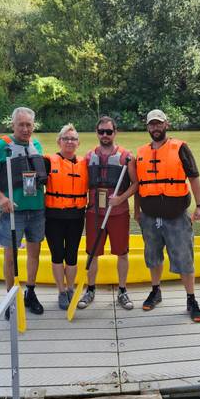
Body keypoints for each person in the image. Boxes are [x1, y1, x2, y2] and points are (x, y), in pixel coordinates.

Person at [134, 109, 200, 322]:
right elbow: (138, 186)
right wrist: (137, 210)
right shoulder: (140, 153)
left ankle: (191, 298)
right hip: (149, 216)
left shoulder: (180, 148)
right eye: (151, 124)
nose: (155, 128)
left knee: (184, 257)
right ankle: (156, 291)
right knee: (152, 256)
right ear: (147, 127)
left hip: (176, 215)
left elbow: (194, 178)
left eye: (158, 124)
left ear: (166, 124)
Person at [0, 107, 47, 315]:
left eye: (29, 125)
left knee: (34, 254)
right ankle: (10, 297)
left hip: (36, 209)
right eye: (21, 125)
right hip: (13, 212)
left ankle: (31, 292)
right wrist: (1, 198)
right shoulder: (1, 147)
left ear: (33, 126)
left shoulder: (36, 144)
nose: (25, 129)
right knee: (10, 257)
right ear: (13, 125)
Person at [78, 116, 138, 310]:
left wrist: (121, 199)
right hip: (94, 213)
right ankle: (90, 289)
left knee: (122, 253)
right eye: (101, 131)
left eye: (109, 131)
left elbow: (136, 184)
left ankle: (122, 291)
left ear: (115, 132)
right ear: (97, 133)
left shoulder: (126, 157)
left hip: (118, 212)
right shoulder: (88, 157)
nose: (105, 135)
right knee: (92, 254)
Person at [44, 124, 88, 310]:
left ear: (78, 143)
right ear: (59, 141)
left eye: (73, 139)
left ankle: (70, 288)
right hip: (53, 217)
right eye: (66, 138)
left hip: (76, 216)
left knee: (71, 255)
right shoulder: (47, 162)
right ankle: (61, 291)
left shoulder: (85, 164)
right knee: (57, 255)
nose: (69, 142)